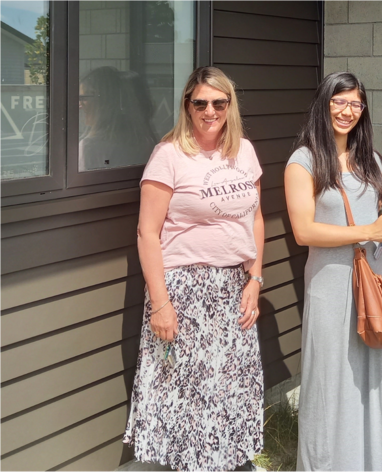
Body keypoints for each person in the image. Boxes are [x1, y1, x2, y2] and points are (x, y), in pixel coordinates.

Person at [123, 66, 265, 472]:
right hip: (184, 289)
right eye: (200, 102)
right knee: (186, 390)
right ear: (187, 105)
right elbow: (147, 233)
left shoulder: (245, 151)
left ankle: (225, 460)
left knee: (229, 386)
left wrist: (255, 278)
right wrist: (160, 304)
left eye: (219, 102)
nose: (210, 111)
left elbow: (255, 219)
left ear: (230, 106)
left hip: (233, 284)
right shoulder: (169, 155)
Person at [284, 71, 382, 472]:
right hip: (331, 285)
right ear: (324, 103)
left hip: (370, 283)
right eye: (339, 101)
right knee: (329, 382)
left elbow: (373, 218)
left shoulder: (370, 159)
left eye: (355, 103)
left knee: (369, 378)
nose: (347, 111)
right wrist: (368, 230)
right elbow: (304, 231)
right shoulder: (303, 161)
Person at [78, 66, 157, 171]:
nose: (79, 104)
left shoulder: (90, 146)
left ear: (104, 102)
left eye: (84, 98)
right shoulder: (144, 139)